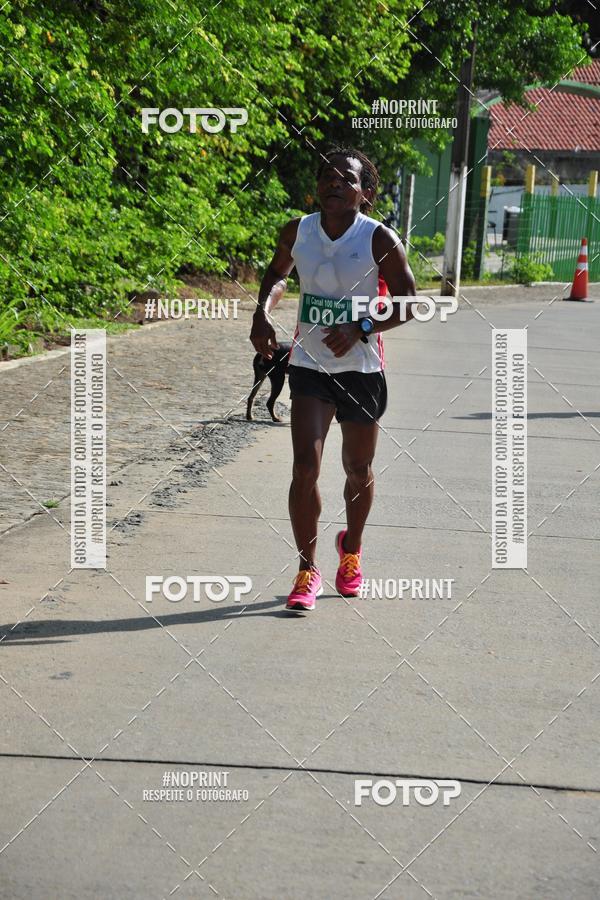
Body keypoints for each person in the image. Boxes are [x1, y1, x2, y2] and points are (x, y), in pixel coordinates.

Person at [250, 147, 416, 612]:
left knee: (357, 471)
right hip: (310, 366)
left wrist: (361, 327)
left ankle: (352, 552)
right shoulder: (298, 231)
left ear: (365, 193)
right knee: (305, 467)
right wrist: (263, 314)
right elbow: (277, 273)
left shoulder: (378, 238)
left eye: (347, 177)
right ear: (316, 187)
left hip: (361, 369)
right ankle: (306, 568)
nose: (334, 182)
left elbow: (407, 300)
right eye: (327, 175)